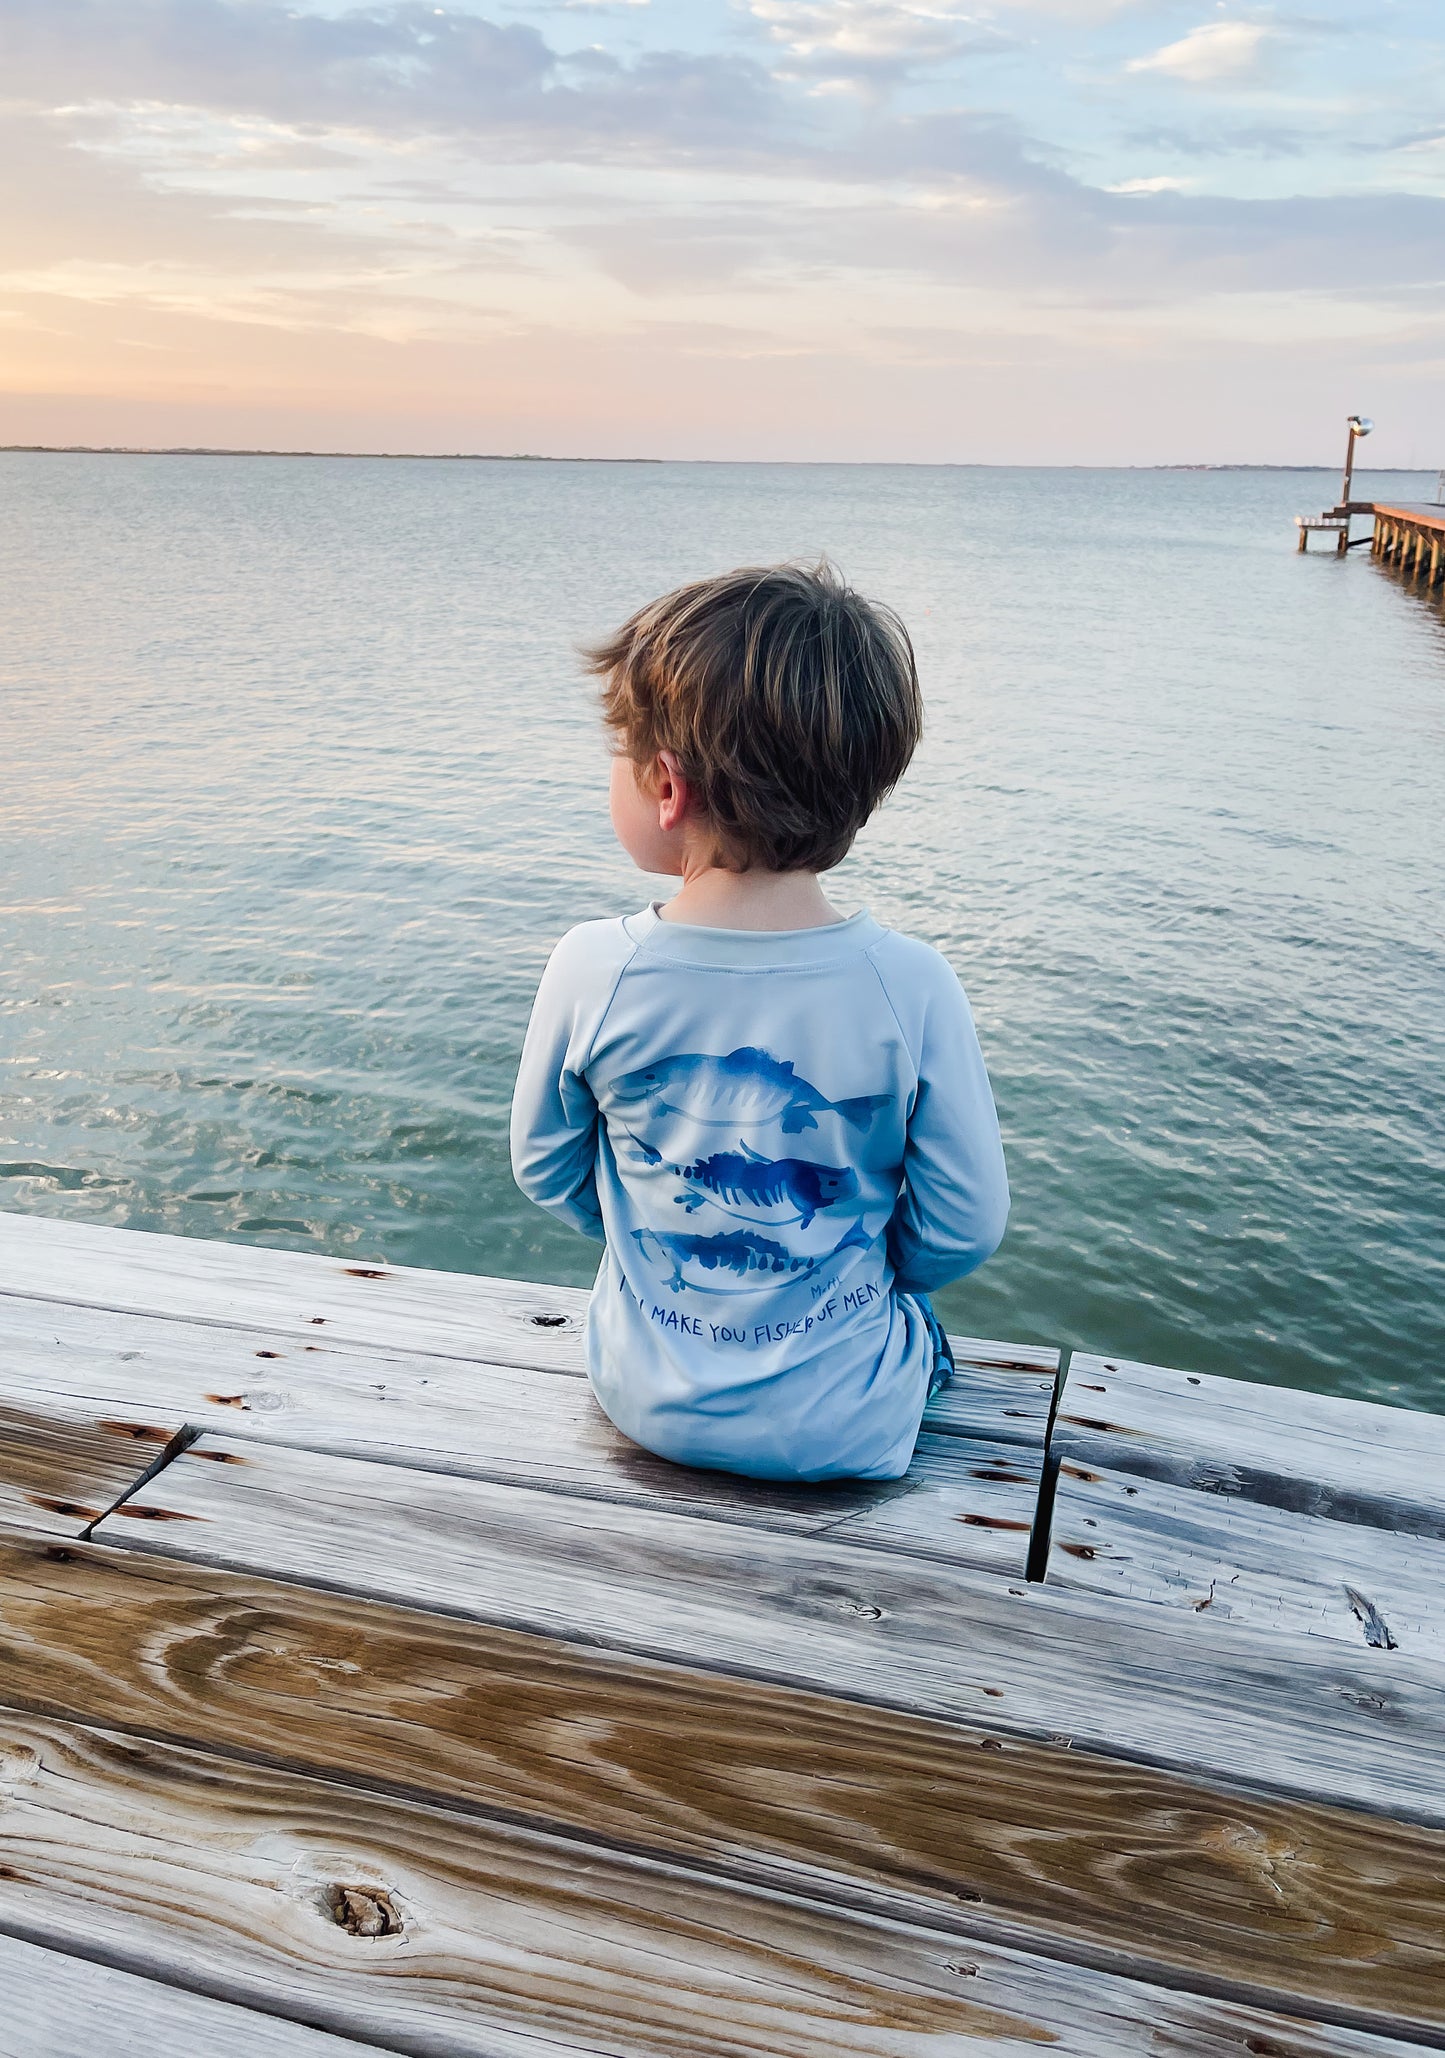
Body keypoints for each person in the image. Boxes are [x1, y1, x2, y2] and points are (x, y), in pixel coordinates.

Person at [510, 562, 1008, 1482]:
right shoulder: (911, 983)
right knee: (922, 1329)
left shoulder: (592, 966)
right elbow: (963, 1226)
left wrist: (644, 1248)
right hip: (851, 1428)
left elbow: (546, 1167)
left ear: (667, 787)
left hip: (641, 1396)